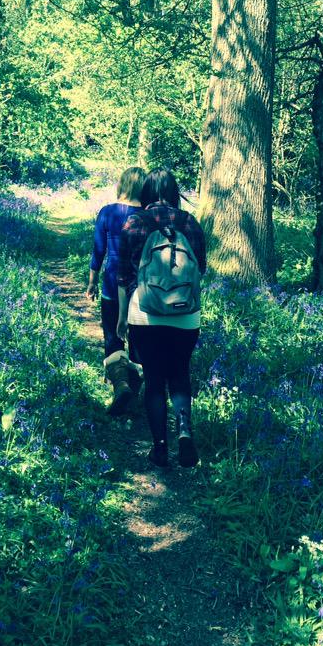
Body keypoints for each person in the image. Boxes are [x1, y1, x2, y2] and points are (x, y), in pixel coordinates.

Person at [116, 168, 206, 468]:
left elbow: (123, 276)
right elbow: (200, 269)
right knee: (179, 374)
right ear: (173, 192)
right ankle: (184, 432)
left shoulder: (135, 222)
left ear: (146, 192)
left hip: (145, 314)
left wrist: (121, 318)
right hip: (186, 316)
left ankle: (160, 448)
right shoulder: (190, 223)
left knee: (154, 379)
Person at [86, 166, 146, 415]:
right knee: (139, 339)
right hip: (141, 287)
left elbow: (98, 250)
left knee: (113, 336)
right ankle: (137, 388)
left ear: (122, 185)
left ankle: (120, 385)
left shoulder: (108, 212)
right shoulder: (147, 217)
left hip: (112, 283)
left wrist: (92, 281)